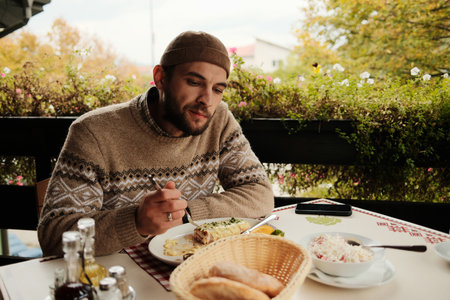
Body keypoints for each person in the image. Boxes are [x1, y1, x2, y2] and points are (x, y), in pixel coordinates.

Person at [37, 31, 274, 256]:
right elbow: (54, 235)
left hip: (190, 267)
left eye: (218, 89)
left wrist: (187, 212)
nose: (207, 100)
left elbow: (260, 194)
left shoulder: (219, 120)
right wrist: (135, 222)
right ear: (160, 78)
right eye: (194, 82)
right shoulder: (93, 132)